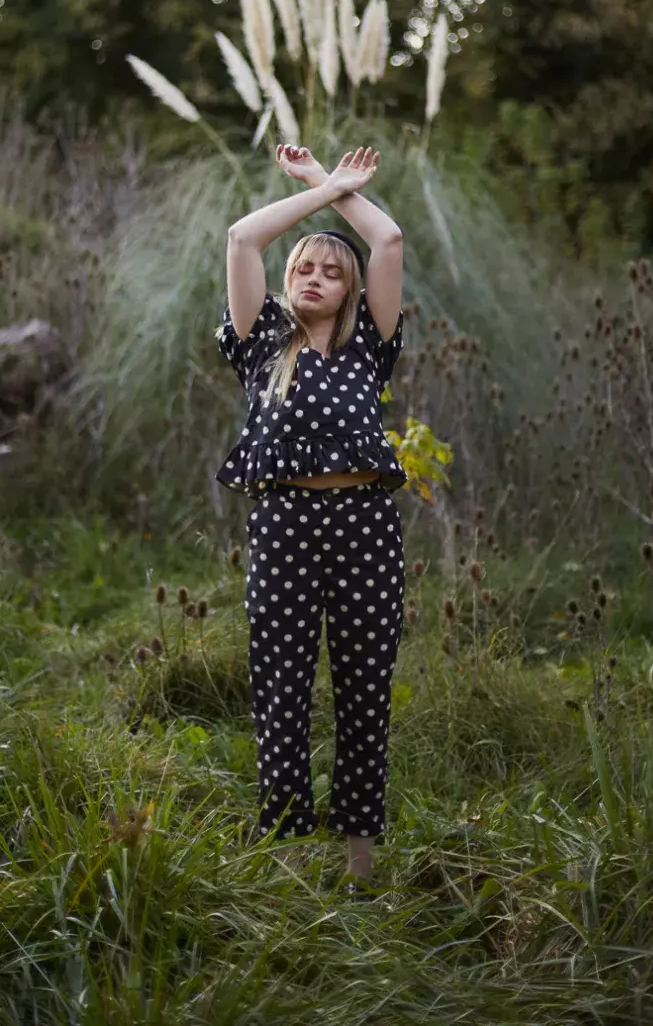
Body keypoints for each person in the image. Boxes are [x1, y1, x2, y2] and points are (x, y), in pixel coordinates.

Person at [214, 142, 407, 888]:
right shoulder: (261, 339)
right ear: (286, 281)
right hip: (284, 530)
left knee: (364, 691)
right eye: (304, 268)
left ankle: (359, 864)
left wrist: (344, 195)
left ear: (350, 287)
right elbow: (242, 238)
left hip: (364, 527)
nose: (316, 277)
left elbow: (387, 239)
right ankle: (290, 857)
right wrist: (321, 186)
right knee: (282, 691)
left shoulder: (370, 347)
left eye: (332, 270)